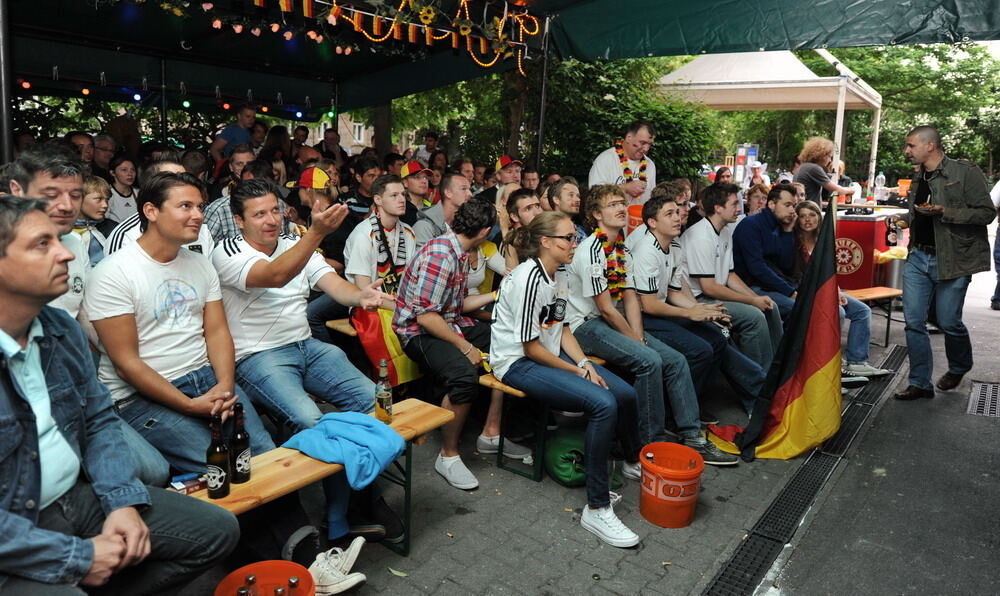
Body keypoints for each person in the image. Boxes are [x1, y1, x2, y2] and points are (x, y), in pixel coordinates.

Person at [0, 196, 240, 595]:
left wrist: (121, 501)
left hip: (75, 498)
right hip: (16, 530)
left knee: (216, 530)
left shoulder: (61, 328)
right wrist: (74, 557)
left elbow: (97, 419)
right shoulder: (118, 273)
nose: (65, 254)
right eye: (42, 244)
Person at [85, 172, 276, 471]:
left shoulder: (200, 263)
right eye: (185, 206)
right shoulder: (114, 272)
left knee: (264, 455)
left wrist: (225, 386)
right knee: (222, 464)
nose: (198, 215)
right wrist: (189, 405)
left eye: (200, 207)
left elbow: (216, 332)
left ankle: (298, 521)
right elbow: (125, 364)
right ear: (151, 211)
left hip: (206, 379)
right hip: (140, 397)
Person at [493, 211, 642, 547]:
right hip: (516, 361)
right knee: (603, 403)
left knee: (626, 394)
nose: (575, 243)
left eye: (575, 237)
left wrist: (584, 361)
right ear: (545, 242)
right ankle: (597, 506)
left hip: (547, 351)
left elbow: (560, 330)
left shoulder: (559, 274)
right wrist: (577, 372)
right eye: (568, 238)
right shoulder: (528, 278)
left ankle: (631, 461)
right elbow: (530, 348)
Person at [566, 186, 737, 461]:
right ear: (596, 215)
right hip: (584, 325)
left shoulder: (620, 248)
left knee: (676, 360)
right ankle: (650, 443)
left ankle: (691, 434)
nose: (621, 208)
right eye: (612, 205)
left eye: (622, 203)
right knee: (649, 360)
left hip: (611, 320)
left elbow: (631, 298)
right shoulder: (592, 250)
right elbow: (607, 309)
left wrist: (638, 335)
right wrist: (637, 341)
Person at [214, 178, 383, 434]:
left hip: (307, 346)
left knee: (376, 401)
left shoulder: (294, 242)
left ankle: (355, 466)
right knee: (309, 420)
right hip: (259, 356)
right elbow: (274, 275)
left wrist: (360, 297)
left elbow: (333, 283)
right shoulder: (227, 251)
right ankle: (330, 467)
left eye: (274, 210)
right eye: (259, 214)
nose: (271, 220)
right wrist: (316, 233)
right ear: (239, 221)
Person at [393, 200, 529, 491]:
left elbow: (455, 306)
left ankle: (491, 432)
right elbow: (426, 316)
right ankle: (448, 455)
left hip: (449, 322)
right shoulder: (441, 255)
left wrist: (494, 295)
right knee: (463, 377)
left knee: (511, 344)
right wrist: (464, 347)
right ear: (486, 231)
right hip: (418, 333)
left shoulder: (461, 250)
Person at [631, 192, 766, 419]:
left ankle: (692, 402)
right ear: (652, 222)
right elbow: (650, 305)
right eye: (670, 214)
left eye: (678, 212)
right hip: (643, 317)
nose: (678, 217)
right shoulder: (646, 250)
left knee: (717, 337)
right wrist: (690, 312)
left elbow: (674, 292)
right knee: (700, 350)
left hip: (661, 310)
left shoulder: (674, 245)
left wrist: (703, 310)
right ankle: (677, 410)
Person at [890, 125, 995, 400]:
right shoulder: (918, 176)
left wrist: (943, 212)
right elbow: (916, 214)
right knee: (913, 322)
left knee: (949, 321)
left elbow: (986, 214)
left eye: (911, 145)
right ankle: (919, 383)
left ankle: (959, 366)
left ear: (930, 146)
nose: (906, 151)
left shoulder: (965, 172)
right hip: (917, 258)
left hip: (955, 258)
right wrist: (902, 219)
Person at [681, 182, 781, 373]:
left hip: (713, 293)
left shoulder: (725, 231)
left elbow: (730, 275)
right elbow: (709, 287)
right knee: (754, 317)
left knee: (770, 306)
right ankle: (762, 381)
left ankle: (778, 371)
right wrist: (752, 301)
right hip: (697, 298)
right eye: (734, 204)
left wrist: (756, 298)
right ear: (718, 208)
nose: (739, 208)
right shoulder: (700, 236)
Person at [793, 201, 891, 378]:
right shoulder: (794, 243)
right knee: (838, 312)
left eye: (812, 215)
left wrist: (837, 292)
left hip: (827, 290)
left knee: (862, 310)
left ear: (819, 217)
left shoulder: (823, 241)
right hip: (806, 294)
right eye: (803, 216)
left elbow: (829, 272)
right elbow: (800, 278)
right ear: (797, 220)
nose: (808, 220)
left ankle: (857, 362)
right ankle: (828, 363)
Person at [104, 157, 216, 258]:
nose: (183, 183)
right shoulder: (126, 235)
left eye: (184, 177)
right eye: (171, 179)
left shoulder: (201, 230)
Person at [343, 174, 415, 311]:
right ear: (378, 199)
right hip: (368, 308)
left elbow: (411, 279)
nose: (402, 200)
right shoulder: (363, 235)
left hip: (400, 304)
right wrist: (405, 311)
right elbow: (364, 291)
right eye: (394, 195)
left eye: (403, 194)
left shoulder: (408, 232)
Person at [732, 183, 800, 318]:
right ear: (771, 205)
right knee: (799, 308)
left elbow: (786, 265)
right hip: (750, 287)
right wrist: (790, 292)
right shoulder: (751, 225)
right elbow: (757, 268)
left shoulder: (782, 225)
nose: (793, 211)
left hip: (772, 284)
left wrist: (788, 231)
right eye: (787, 205)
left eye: (794, 206)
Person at [589, 120, 657, 206]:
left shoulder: (650, 165)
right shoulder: (606, 159)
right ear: (629, 137)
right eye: (642, 143)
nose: (646, 149)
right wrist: (625, 188)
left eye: (649, 144)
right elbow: (593, 193)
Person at [413, 171, 473, 248]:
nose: (470, 194)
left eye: (469, 189)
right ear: (448, 193)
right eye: (463, 188)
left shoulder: (463, 224)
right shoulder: (424, 227)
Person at [793, 137, 856, 204]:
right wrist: (851, 190)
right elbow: (836, 190)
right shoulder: (814, 168)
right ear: (822, 155)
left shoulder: (804, 167)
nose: (830, 160)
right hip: (808, 210)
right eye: (829, 156)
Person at [75, 176, 118, 267]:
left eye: (107, 200)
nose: (105, 205)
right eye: (98, 199)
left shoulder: (113, 229)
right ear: (79, 199)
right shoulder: (65, 231)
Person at [548, 176, 587, 243]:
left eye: (578, 196)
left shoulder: (581, 229)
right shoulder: (548, 229)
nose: (578, 200)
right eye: (571, 195)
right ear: (556, 200)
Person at [400, 160, 432, 226]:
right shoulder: (400, 208)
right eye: (417, 177)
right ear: (405, 182)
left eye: (425, 177)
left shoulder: (430, 206)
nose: (424, 181)